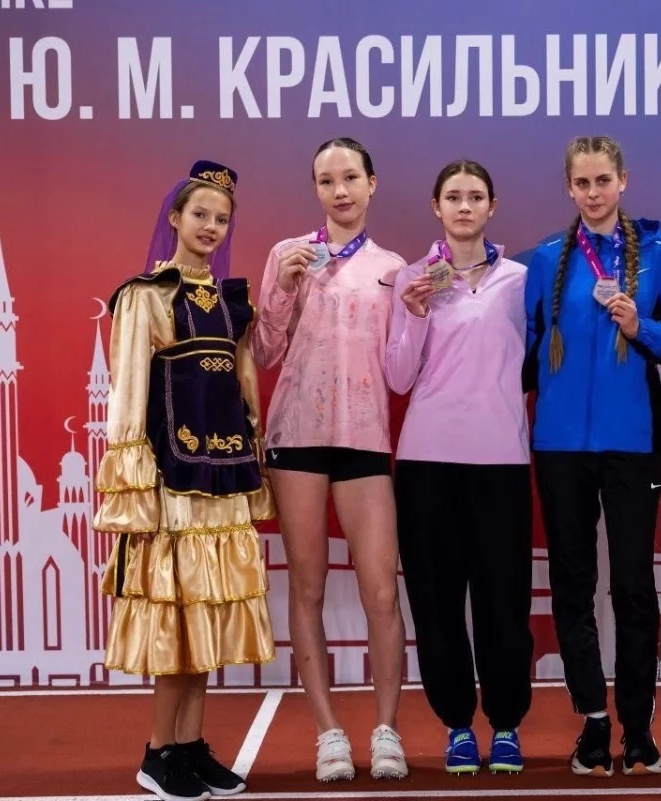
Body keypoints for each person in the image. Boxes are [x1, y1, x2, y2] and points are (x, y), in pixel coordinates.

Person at [523, 135, 661, 777]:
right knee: (572, 584)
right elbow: (522, 352)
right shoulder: (547, 258)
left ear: (623, 181)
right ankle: (593, 723)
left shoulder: (657, 255)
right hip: (559, 447)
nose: (594, 192)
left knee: (633, 586)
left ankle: (639, 726)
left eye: (603, 180)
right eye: (583, 183)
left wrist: (639, 327)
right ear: (569, 188)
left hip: (631, 445)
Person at [95, 160, 276, 801]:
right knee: (176, 622)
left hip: (222, 478)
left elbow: (245, 389)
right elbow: (128, 393)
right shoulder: (143, 296)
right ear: (175, 218)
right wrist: (134, 478)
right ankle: (158, 752)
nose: (210, 226)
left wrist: (254, 456)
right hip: (171, 480)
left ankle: (191, 746)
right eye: (199, 214)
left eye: (221, 219)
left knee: (206, 619)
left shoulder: (233, 304)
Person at [250, 137, 409, 782]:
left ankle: (387, 730)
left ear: (372, 183)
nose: (339, 190)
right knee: (308, 586)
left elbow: (401, 371)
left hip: (365, 438)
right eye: (326, 180)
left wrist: (419, 314)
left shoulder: (393, 268)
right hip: (297, 436)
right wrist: (283, 290)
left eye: (350, 178)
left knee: (381, 589)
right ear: (315, 189)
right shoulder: (288, 255)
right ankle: (328, 733)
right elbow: (264, 352)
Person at [384, 160, 534, 775]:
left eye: (475, 197)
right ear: (436, 206)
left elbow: (533, 363)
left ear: (492, 206)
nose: (464, 206)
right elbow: (398, 377)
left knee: (504, 600)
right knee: (436, 602)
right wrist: (415, 313)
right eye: (453, 196)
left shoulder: (521, 280)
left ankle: (506, 724)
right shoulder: (412, 278)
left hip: (501, 458)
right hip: (427, 460)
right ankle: (456, 725)